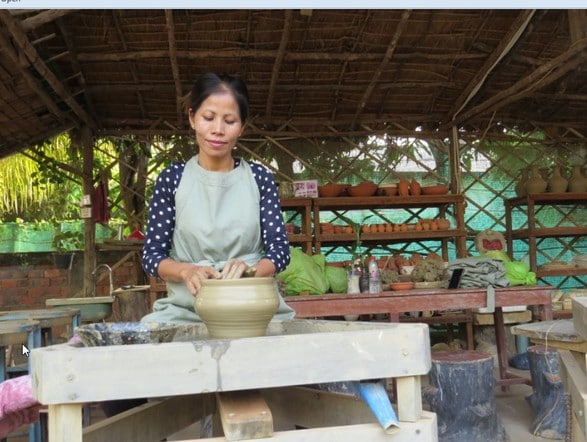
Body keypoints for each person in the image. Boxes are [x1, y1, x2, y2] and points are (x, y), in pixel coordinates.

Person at [141, 72, 294, 324]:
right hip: (187, 311)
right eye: (208, 118)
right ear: (192, 118)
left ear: (242, 126)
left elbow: (280, 250)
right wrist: (186, 270)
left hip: (253, 306)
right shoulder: (172, 179)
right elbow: (152, 255)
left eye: (230, 121)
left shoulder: (259, 178)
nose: (218, 130)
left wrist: (252, 270)